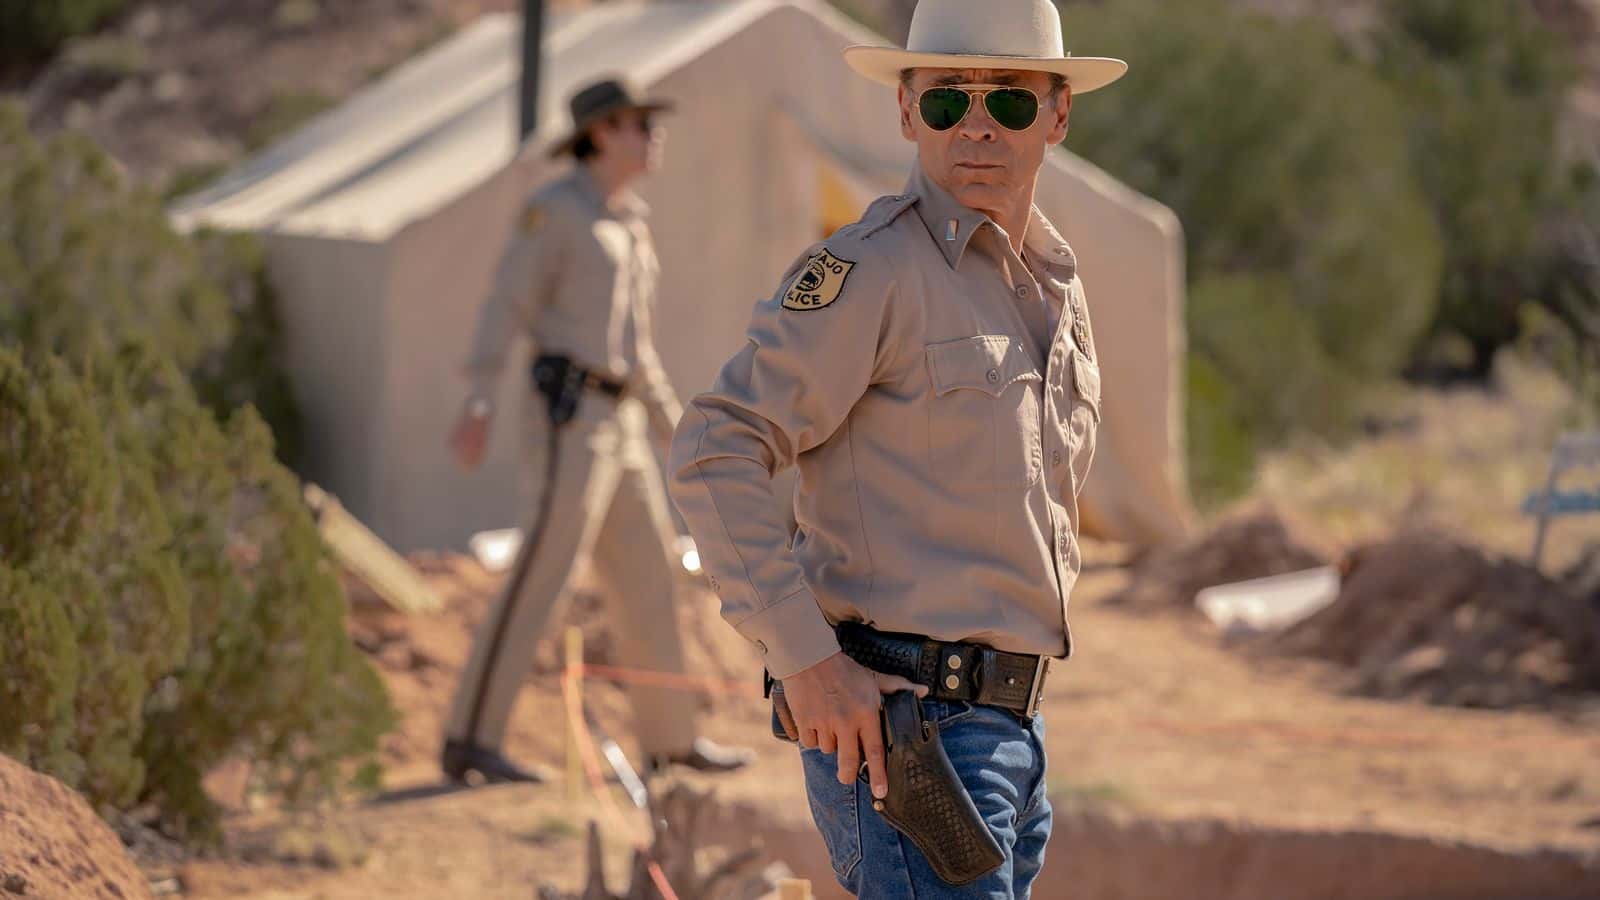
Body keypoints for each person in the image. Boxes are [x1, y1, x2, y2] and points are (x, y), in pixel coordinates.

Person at [667, 0, 1126, 894]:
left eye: (1013, 102)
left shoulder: (1054, 286)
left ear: (1060, 116)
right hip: (910, 730)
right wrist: (804, 662)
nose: (979, 126)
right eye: (949, 101)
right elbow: (715, 448)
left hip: (1013, 735)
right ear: (907, 111)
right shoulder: (870, 272)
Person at [442, 77, 752, 785]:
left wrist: (679, 430)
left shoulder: (630, 224)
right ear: (606, 132)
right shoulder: (554, 214)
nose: (655, 136)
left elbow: (638, 349)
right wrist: (481, 396)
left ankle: (670, 742)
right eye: (643, 124)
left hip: (623, 426)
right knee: (541, 576)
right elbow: (506, 302)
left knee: (649, 576)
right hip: (568, 421)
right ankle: (469, 737)